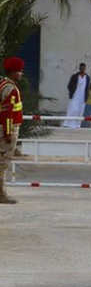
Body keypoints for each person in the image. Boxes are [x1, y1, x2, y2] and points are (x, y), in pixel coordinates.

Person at [0, 57, 25, 204]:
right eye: (19, 71)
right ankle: (1, 194)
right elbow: (7, 112)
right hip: (7, 128)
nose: (21, 74)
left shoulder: (2, 83)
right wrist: (8, 133)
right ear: (13, 72)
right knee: (3, 164)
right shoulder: (11, 88)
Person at [64, 62, 89, 128]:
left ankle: (78, 124)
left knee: (80, 110)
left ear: (85, 69)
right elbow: (69, 85)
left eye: (83, 68)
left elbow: (87, 88)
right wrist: (71, 92)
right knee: (72, 108)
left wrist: (86, 97)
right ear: (79, 68)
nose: (82, 69)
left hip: (82, 96)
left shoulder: (87, 77)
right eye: (81, 68)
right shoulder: (74, 76)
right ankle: (67, 123)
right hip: (75, 95)